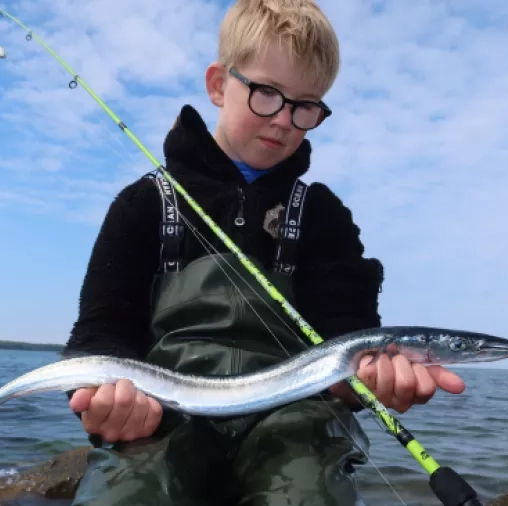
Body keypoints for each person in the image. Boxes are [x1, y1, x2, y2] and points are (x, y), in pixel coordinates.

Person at [62, 0, 466, 504]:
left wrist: (368, 381)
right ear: (218, 84)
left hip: (294, 419)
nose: (284, 120)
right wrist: (105, 398)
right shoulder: (146, 204)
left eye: (306, 105)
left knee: (306, 491)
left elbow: (346, 338)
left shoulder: (322, 216)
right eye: (267, 94)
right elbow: (99, 334)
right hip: (162, 415)